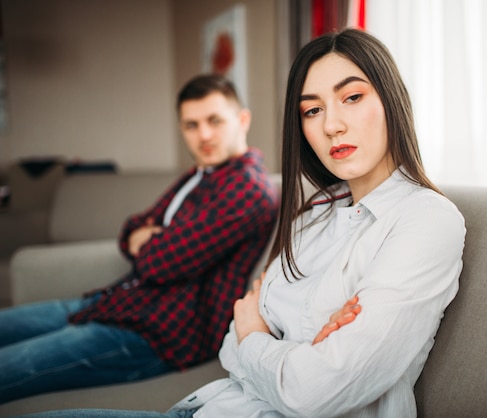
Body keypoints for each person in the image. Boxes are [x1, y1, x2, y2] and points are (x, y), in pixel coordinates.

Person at [18, 28, 465, 417]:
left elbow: (309, 391)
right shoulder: (316, 211)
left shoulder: (426, 221)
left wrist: (260, 337)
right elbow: (233, 338)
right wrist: (289, 348)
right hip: (210, 405)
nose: (332, 125)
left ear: (392, 99)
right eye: (312, 110)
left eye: (352, 97)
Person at [0, 74, 280, 404]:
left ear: (242, 120)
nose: (203, 134)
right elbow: (133, 226)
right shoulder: (200, 173)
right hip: (118, 301)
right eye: (191, 125)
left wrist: (148, 241)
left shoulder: (247, 190)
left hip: (155, 333)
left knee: (9, 367)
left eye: (214, 121)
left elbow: (158, 264)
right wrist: (144, 237)